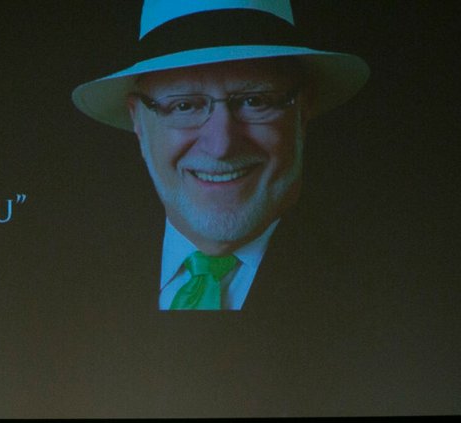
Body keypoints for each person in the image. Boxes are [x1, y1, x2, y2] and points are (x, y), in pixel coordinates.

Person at [72, 0, 368, 310]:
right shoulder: (70, 282)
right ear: (139, 122)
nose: (221, 145)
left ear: (302, 112)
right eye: (184, 105)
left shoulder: (374, 282)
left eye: (254, 100)